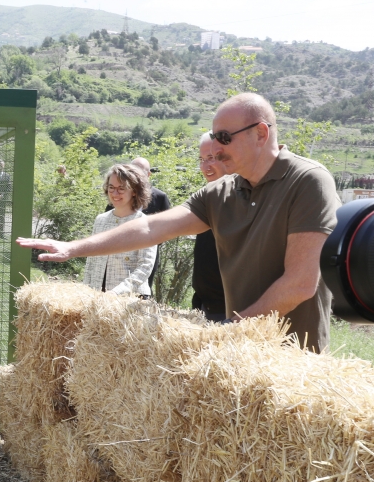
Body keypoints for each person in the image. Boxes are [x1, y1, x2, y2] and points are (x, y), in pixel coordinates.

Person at [18, 92, 339, 353]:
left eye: (224, 138)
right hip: (239, 353)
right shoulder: (222, 191)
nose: (215, 148)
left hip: (293, 358)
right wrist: (73, 248)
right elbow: (150, 227)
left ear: (261, 133)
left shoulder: (308, 181)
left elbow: (299, 283)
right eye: (214, 137)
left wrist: (229, 330)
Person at [82, 164, 156, 297]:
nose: (115, 193)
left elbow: (145, 266)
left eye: (121, 188)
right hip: (98, 296)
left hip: (132, 298)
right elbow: (91, 261)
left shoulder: (146, 224)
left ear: (134, 191)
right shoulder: (100, 220)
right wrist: (85, 291)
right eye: (111, 187)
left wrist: (116, 292)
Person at [103, 157, 171, 295]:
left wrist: (148, 241)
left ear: (149, 174)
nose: (136, 173)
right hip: (115, 258)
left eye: (140, 171)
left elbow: (167, 228)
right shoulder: (117, 196)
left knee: (140, 289)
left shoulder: (160, 197)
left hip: (145, 253)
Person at [192, 133, 228, 322]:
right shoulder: (207, 197)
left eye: (211, 158)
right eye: (201, 159)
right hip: (204, 306)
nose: (205, 167)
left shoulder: (244, 200)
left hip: (233, 313)